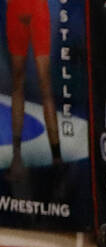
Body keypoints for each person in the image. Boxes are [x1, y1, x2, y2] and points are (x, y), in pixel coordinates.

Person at [6, 0, 61, 182]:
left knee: (44, 82)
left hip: (37, 9)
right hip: (16, 9)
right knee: (17, 81)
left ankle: (57, 158)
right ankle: (16, 157)